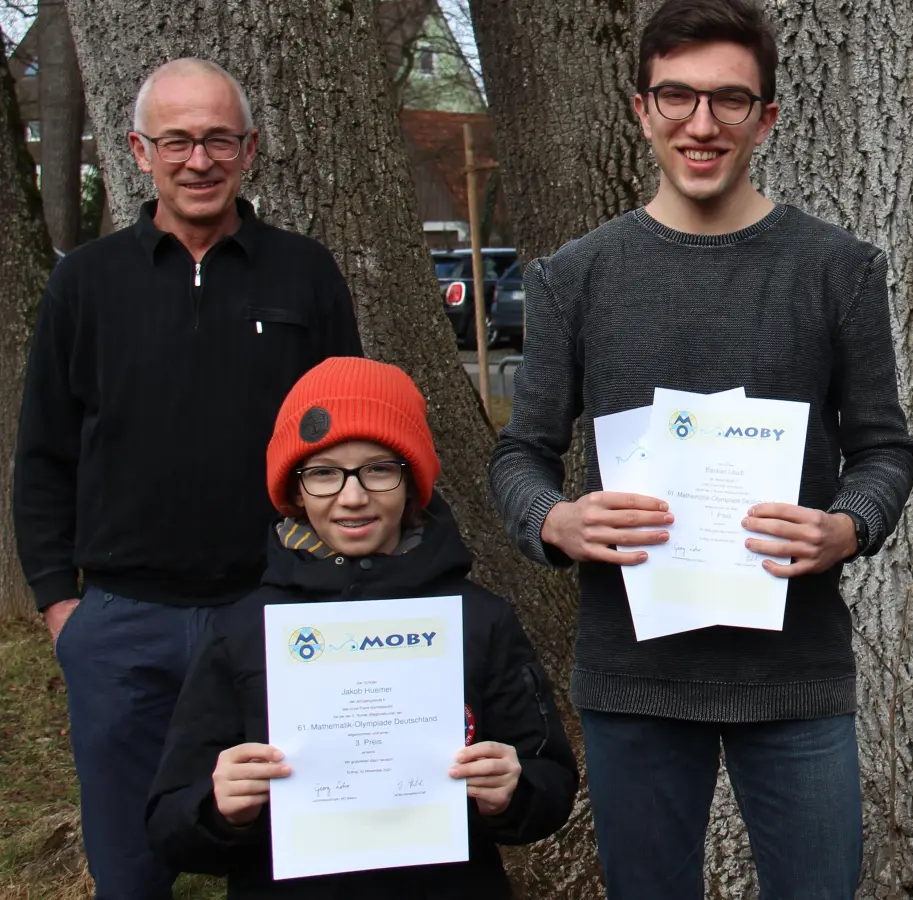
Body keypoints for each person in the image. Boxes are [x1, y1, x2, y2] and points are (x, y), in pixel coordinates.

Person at [489, 0, 913, 896]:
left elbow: (884, 452)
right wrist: (557, 521)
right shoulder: (576, 277)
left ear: (767, 117)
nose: (702, 123)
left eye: (730, 99)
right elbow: (520, 456)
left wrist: (847, 527)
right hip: (634, 677)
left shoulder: (839, 270)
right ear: (642, 109)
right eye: (677, 96)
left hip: (794, 672)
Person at [10, 58, 361, 900]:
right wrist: (62, 607)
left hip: (275, 609)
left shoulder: (304, 274)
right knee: (131, 866)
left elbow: (351, 443)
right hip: (122, 625)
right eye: (177, 141)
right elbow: (45, 453)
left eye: (218, 140)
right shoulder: (85, 283)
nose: (198, 161)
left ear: (250, 149)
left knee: (283, 859)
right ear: (140, 151)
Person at [146, 357, 578, 898]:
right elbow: (169, 823)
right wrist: (219, 808)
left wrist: (512, 791)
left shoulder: (477, 619)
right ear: (294, 490)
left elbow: (551, 785)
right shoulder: (243, 631)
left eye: (378, 469)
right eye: (324, 473)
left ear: (411, 481)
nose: (352, 496)